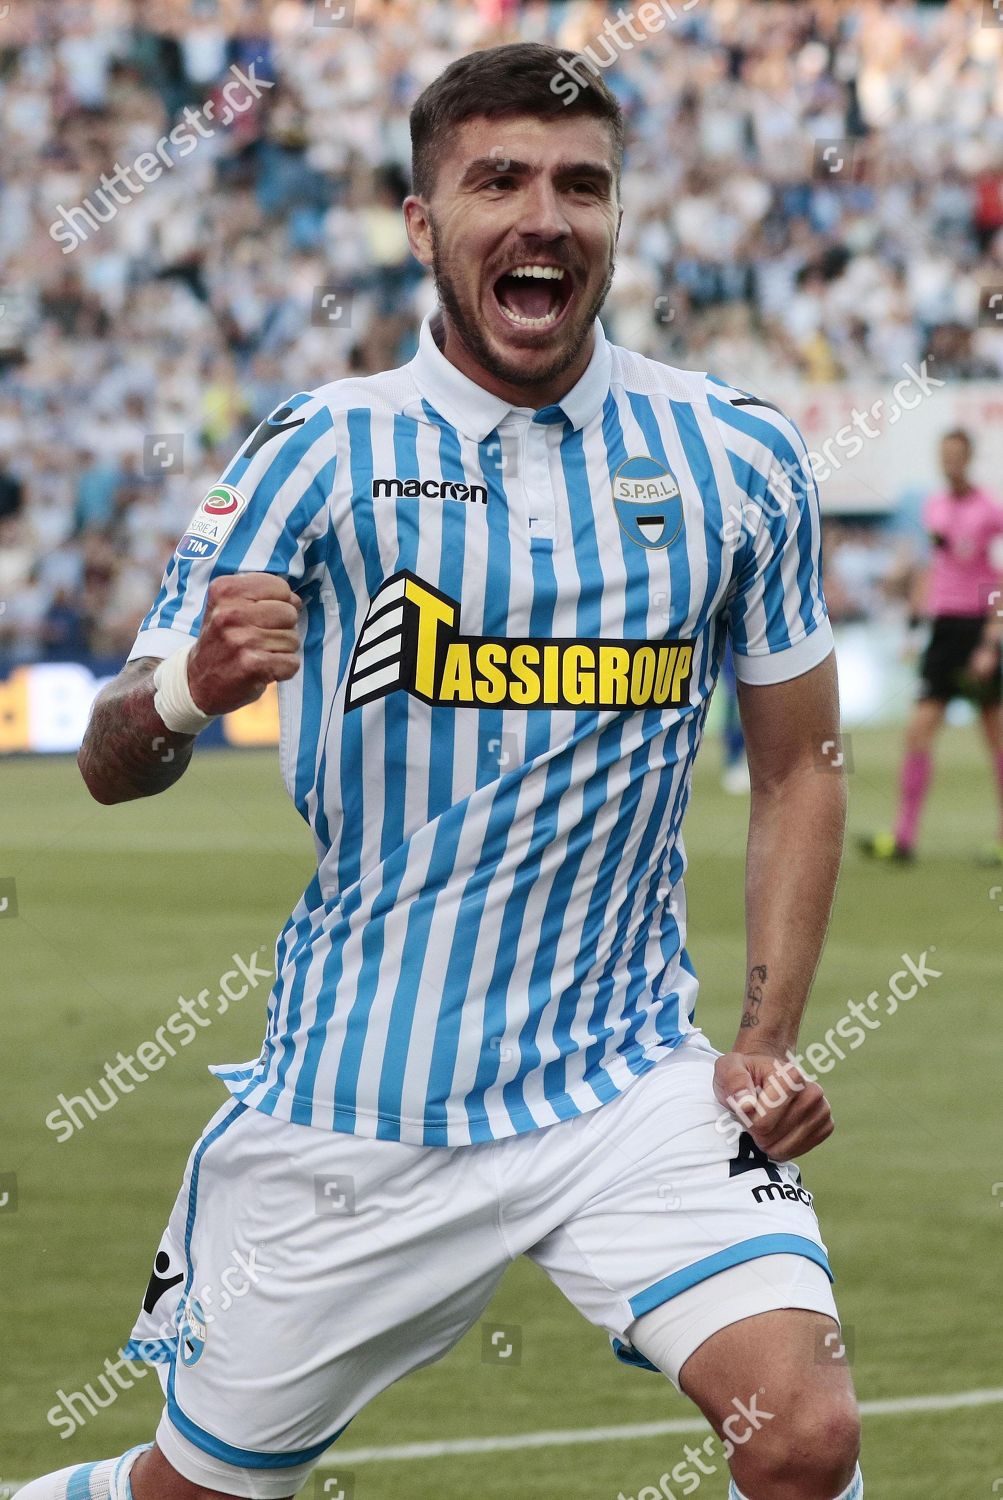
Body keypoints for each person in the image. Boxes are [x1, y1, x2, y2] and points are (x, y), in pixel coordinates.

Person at [25, 43, 861, 1500]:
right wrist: (189, 686)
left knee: (801, 1437)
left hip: (623, 1085)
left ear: (616, 214)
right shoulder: (317, 453)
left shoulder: (736, 457)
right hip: (360, 1110)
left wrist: (760, 1037)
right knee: (191, 1494)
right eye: (497, 181)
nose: (543, 217)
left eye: (579, 186)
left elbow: (798, 768)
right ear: (422, 224)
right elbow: (109, 759)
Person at [860, 428, 1003, 865]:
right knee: (917, 732)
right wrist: (914, 620)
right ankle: (903, 838)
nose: (950, 462)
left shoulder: (991, 512)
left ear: (970, 457)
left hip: (977, 630)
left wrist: (991, 643)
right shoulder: (933, 507)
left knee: (995, 738)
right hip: (943, 633)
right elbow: (933, 569)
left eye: (957, 455)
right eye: (945, 455)